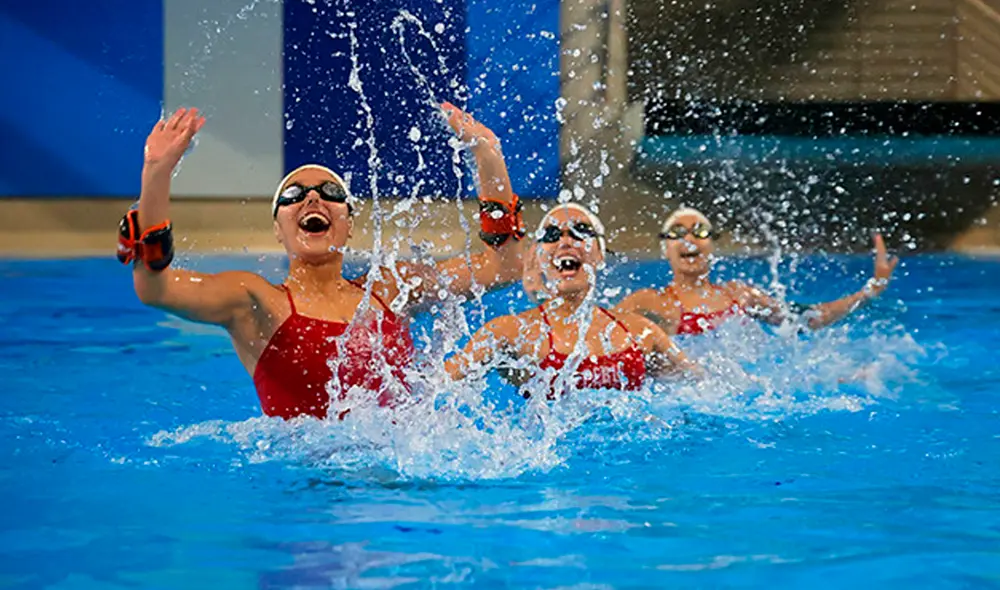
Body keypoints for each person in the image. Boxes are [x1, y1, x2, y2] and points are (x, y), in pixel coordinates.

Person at [119, 103, 526, 420]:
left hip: (398, 497)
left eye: (329, 191)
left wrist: (488, 155)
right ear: (278, 228)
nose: (312, 198)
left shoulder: (390, 291)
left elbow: (503, 266)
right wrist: (156, 171)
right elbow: (156, 288)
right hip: (304, 495)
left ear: (349, 224)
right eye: (294, 196)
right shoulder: (257, 302)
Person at [445, 203, 699, 397]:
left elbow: (705, 392)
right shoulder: (510, 333)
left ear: (599, 254)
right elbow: (437, 386)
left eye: (581, 232)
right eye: (552, 235)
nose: (566, 241)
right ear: (540, 258)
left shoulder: (640, 332)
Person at [613, 207, 899, 335]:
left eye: (699, 231)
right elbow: (598, 334)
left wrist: (869, 292)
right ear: (665, 248)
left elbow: (806, 319)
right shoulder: (647, 302)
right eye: (677, 232)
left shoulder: (740, 296)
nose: (689, 238)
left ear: (712, 244)